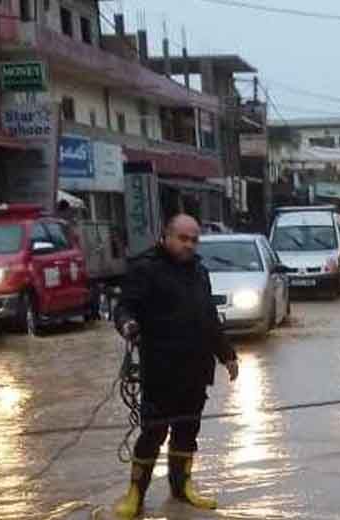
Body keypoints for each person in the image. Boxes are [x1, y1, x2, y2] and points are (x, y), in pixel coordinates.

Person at [113, 214, 240, 518]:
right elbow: (123, 307)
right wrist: (128, 324)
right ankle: (135, 494)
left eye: (194, 240)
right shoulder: (145, 269)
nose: (189, 245)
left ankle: (182, 490)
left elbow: (209, 318)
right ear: (166, 236)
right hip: (160, 369)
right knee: (153, 433)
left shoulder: (199, 272)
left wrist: (227, 355)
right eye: (183, 239)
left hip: (196, 369)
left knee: (187, 432)